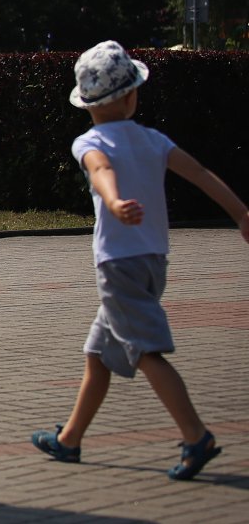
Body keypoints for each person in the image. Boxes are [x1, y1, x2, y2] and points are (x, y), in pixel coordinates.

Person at [31, 40, 249, 481]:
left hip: (118, 266)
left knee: (147, 353)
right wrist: (241, 212)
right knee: (98, 356)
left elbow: (100, 171)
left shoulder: (88, 141)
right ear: (132, 95)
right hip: (153, 263)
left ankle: (196, 436)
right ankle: (70, 439)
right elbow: (202, 174)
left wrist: (111, 204)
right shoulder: (154, 140)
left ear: (87, 104)